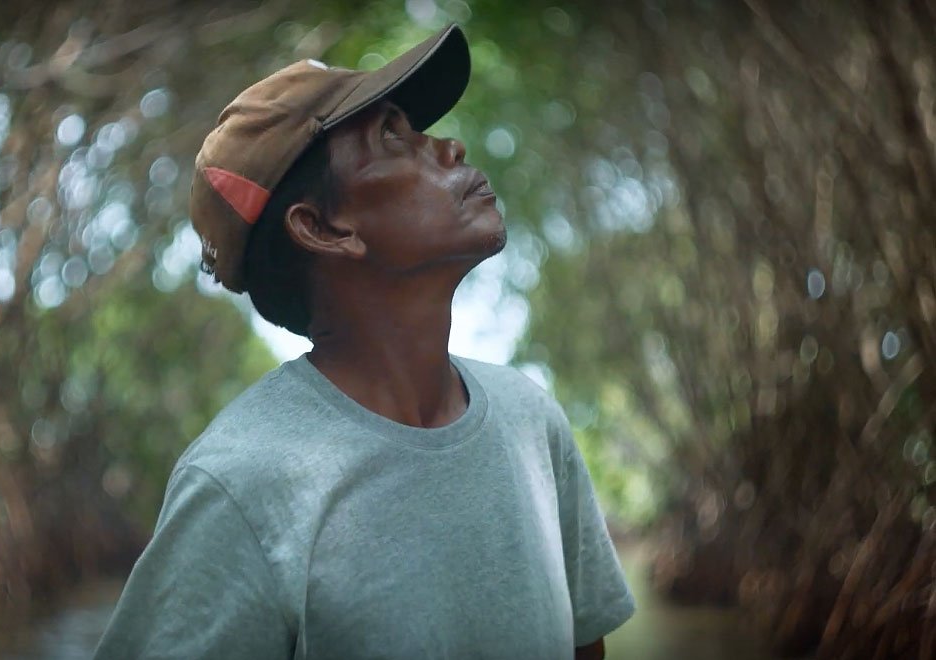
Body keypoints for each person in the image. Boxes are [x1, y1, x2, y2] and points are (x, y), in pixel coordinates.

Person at [93, 23, 635, 660]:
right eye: (392, 138)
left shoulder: (530, 423)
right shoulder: (238, 486)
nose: (451, 147)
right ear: (323, 228)